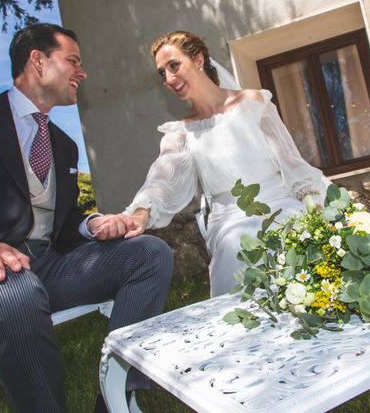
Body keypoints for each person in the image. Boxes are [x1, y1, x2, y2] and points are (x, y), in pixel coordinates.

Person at [0, 23, 173, 412]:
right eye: (73, 61)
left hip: (47, 269)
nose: (82, 73)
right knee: (10, 286)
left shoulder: (63, 146)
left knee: (149, 252)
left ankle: (117, 398)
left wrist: (92, 223)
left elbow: (62, 219)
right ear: (37, 60)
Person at [93, 31, 330, 296]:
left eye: (174, 65)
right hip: (230, 221)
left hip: (282, 203)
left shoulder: (253, 102)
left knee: (303, 243)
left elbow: (290, 159)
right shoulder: (181, 132)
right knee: (236, 247)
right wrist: (140, 213)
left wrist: (312, 200)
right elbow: (162, 179)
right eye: (162, 73)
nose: (169, 79)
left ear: (198, 60)